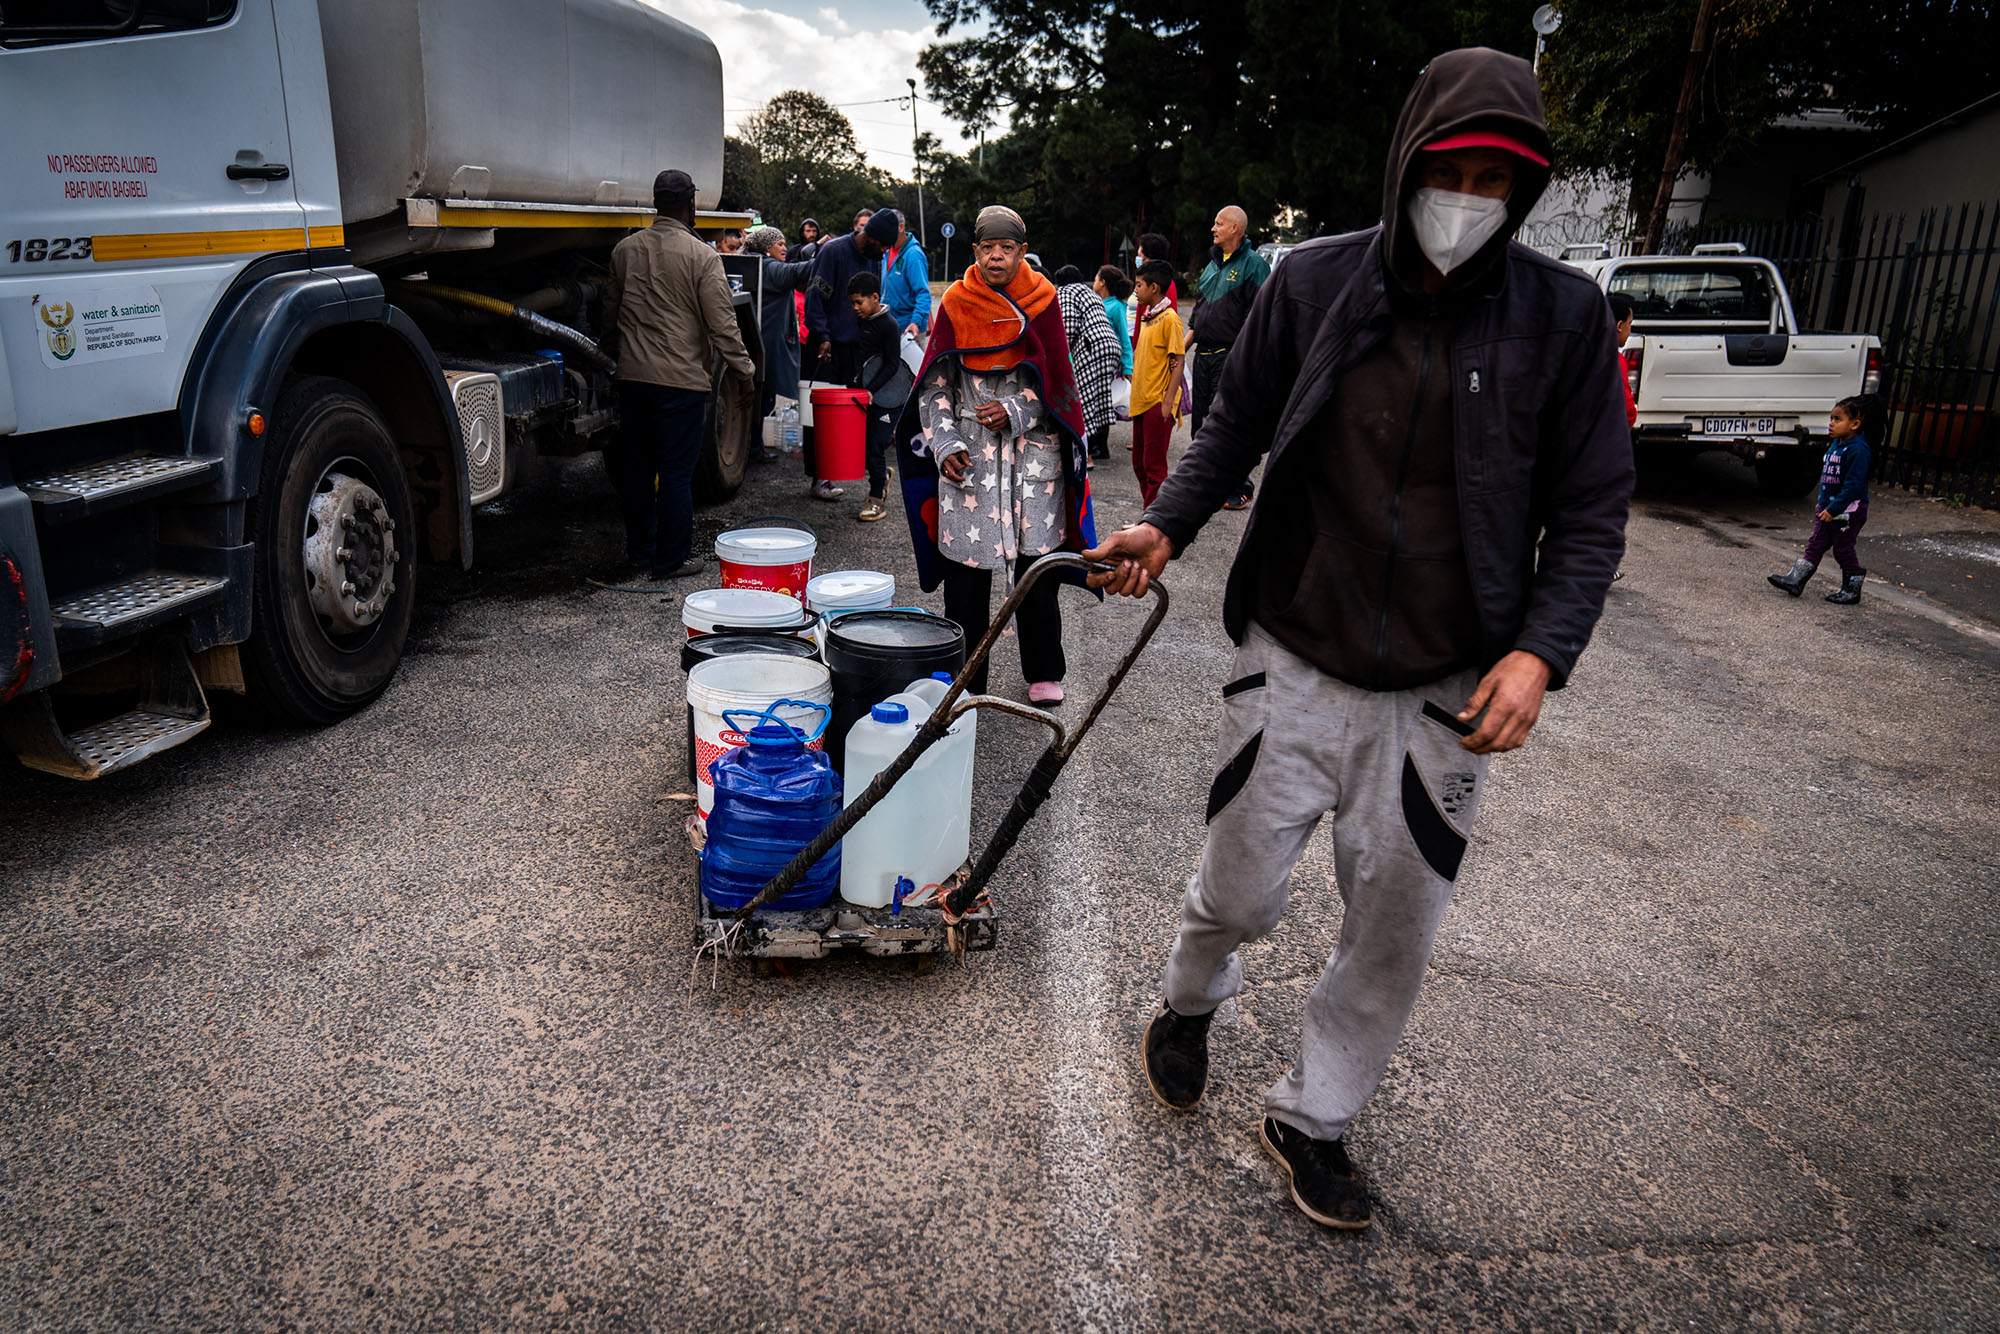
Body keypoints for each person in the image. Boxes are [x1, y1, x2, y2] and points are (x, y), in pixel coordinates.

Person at [1086, 48, 1633, 1230]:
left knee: (1394, 926)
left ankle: (1312, 1116)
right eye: (1453, 169)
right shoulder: (1316, 280)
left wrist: (1540, 650)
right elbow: (1233, 427)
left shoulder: (1564, 317)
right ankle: (1189, 999)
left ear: (1526, 191)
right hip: (1292, 656)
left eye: (1500, 179)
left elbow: (1591, 510)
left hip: (1441, 687)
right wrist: (1162, 525)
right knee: (1236, 890)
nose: (1470, 199)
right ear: (1407, 164)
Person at [893, 205, 1097, 705]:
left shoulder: (1044, 303)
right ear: (976, 252)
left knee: (1037, 575)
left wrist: (1016, 408)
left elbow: (1060, 392)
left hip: (1033, 466)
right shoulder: (957, 303)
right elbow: (934, 386)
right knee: (965, 580)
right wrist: (944, 444)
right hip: (971, 462)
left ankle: (1045, 670)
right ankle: (966, 679)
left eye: (1007, 248)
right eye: (988, 249)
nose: (997, 257)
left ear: (1022, 252)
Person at [601, 169, 757, 579]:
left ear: (656, 203)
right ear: (691, 205)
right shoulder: (703, 256)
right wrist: (745, 373)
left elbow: (610, 314)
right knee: (674, 472)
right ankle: (670, 560)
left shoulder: (624, 250)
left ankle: (640, 551)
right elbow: (724, 326)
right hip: (681, 383)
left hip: (633, 380)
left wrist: (612, 354)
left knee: (637, 466)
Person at [804, 209, 896, 499]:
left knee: (850, 414)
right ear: (869, 236)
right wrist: (823, 336)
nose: (883, 253)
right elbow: (814, 297)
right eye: (881, 245)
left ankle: (843, 469)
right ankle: (820, 477)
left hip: (858, 348)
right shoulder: (833, 251)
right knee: (821, 414)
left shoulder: (874, 257)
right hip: (828, 345)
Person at [1190, 206, 1273, 511]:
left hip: (1232, 356)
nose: (1213, 228)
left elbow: (1261, 317)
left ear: (1236, 229)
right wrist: (1179, 350)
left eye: (1219, 223)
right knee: (1201, 421)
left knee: (1228, 422)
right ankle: (1208, 483)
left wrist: (1247, 359)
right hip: (1203, 356)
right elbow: (1198, 316)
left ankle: (1241, 486)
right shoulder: (1212, 265)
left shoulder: (1253, 266)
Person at [1768, 395, 1878, 604]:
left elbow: (1854, 486)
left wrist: (1835, 508)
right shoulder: (1837, 444)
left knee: (1842, 548)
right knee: (1816, 544)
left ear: (1855, 424)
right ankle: (1796, 579)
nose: (1831, 424)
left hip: (1847, 511)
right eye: (1831, 418)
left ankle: (1852, 588)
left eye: (1838, 419)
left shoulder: (1858, 450)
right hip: (1828, 508)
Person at [742, 225, 816, 454]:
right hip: (768, 345)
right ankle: (754, 447)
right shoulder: (770, 268)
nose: (785, 248)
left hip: (757, 342)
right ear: (766, 248)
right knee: (763, 397)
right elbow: (799, 271)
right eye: (780, 244)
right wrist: (828, 253)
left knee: (761, 396)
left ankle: (754, 445)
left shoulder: (755, 266)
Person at [848, 270, 912, 522]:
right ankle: (882, 476)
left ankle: (877, 501)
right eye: (852, 302)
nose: (855, 307)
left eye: (859, 302)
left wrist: (871, 389)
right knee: (864, 447)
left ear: (875, 297)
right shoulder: (863, 321)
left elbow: (892, 365)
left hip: (889, 399)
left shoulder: (888, 325)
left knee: (875, 445)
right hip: (868, 397)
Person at [1127, 260, 1185, 508]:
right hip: (1141, 402)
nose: (1135, 290)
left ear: (1154, 287)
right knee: (1139, 464)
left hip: (1157, 403)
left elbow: (1178, 361)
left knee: (1155, 468)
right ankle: (1150, 514)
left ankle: (1154, 525)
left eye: (1139, 285)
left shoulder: (1170, 319)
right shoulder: (1149, 317)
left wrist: (1167, 403)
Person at [1054, 265, 1124, 462]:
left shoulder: (1066, 293)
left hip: (1090, 349)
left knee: (1084, 401)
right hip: (1109, 347)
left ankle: (1087, 455)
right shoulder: (1090, 293)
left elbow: (1068, 323)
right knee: (1099, 400)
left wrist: (1059, 354)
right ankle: (1099, 448)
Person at [879, 209, 932, 340]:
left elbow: (923, 293)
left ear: (901, 227)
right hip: (888, 325)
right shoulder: (885, 252)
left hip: (909, 328)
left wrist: (916, 322)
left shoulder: (914, 255)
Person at [1094, 264, 1135, 378]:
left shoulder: (1116, 307)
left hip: (1113, 364)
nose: (1094, 283)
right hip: (1098, 361)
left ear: (1102, 282)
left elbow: (1124, 338)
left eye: (1095, 279)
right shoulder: (1097, 303)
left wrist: (1127, 367)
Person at [1608, 291, 1638, 427]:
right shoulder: (1615, 360)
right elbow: (1627, 411)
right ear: (1620, 326)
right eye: (1629, 324)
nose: (1630, 330)